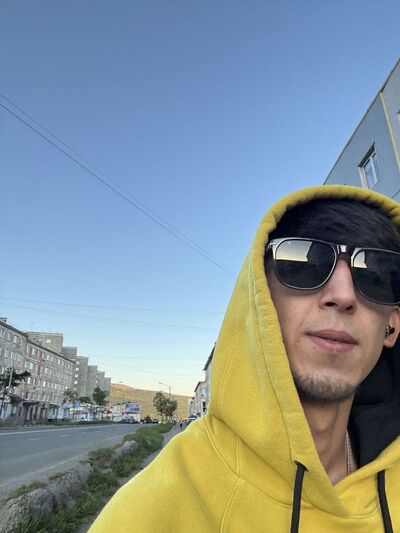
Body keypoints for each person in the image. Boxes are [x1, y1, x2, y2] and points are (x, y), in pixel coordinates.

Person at [90, 185, 400, 532]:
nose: (342, 296)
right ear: (261, 301)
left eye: (376, 274)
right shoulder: (153, 511)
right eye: (302, 265)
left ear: (392, 325)